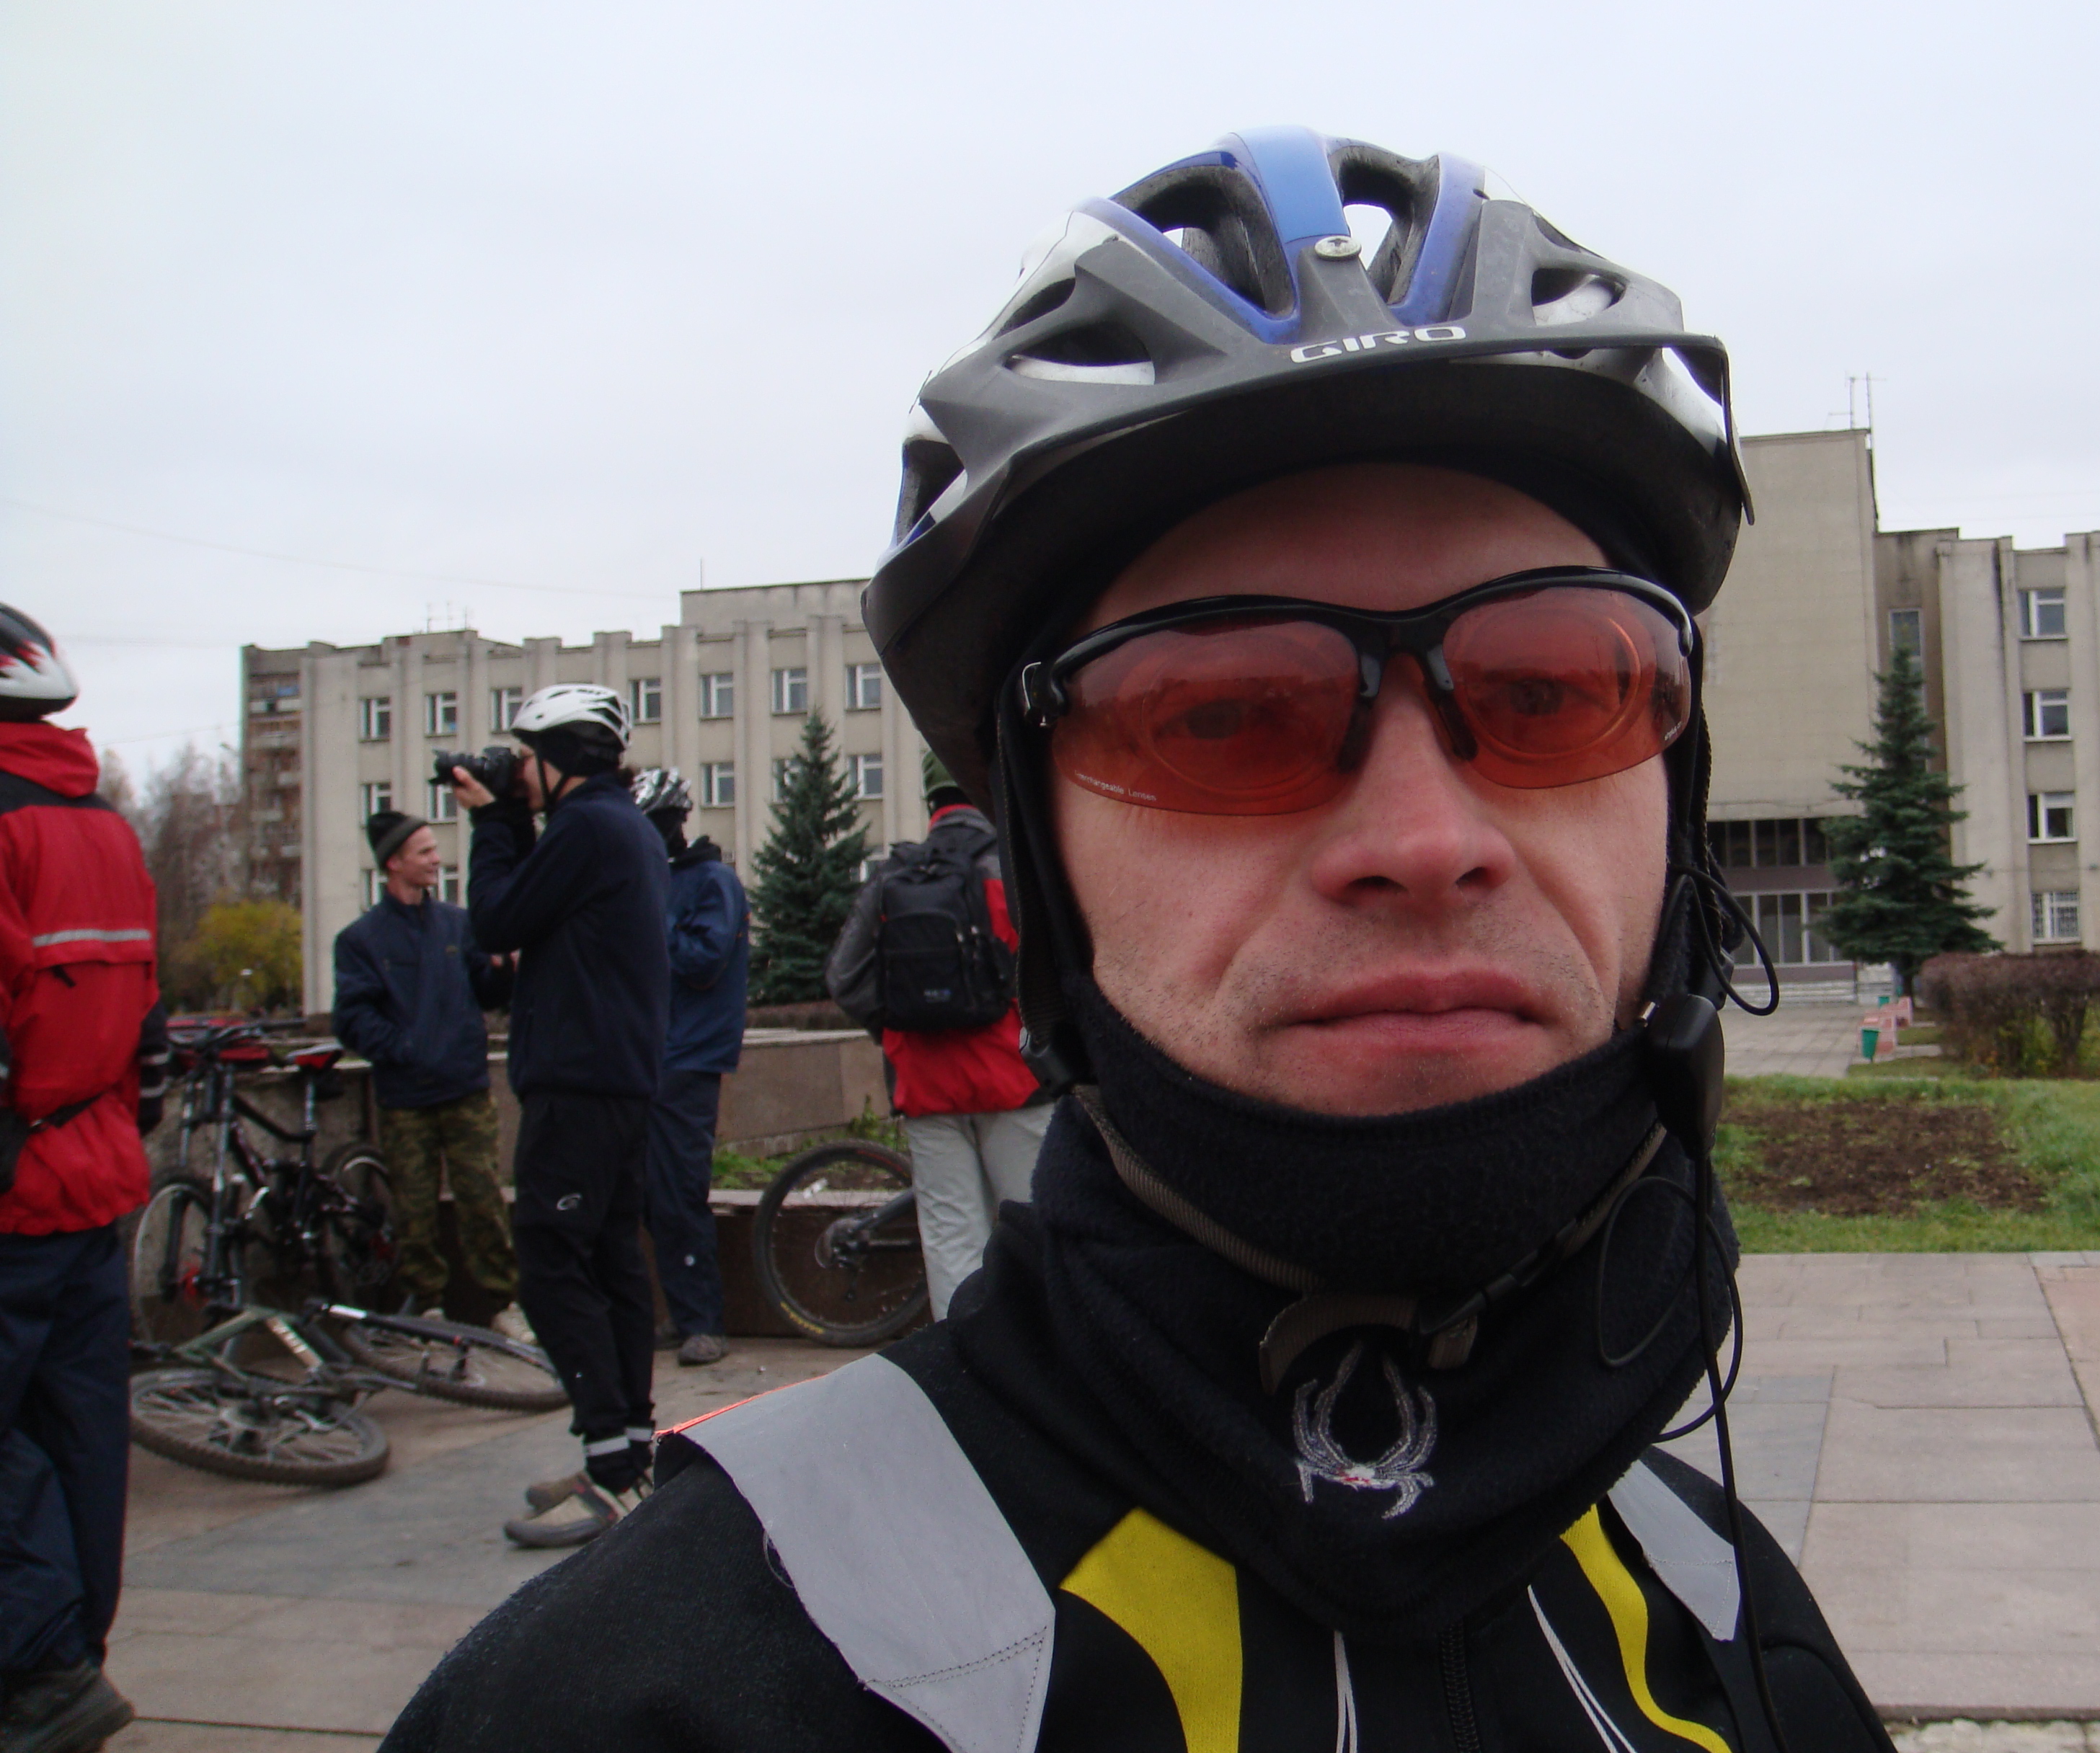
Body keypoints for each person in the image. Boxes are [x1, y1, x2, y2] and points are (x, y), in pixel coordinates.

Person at [392, 130, 1889, 1751]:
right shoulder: (645, 1697)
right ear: (1044, 868)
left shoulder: (1731, 1617)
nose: (1423, 839)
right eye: (1224, 713)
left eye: (1549, 688)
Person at [448, 683, 670, 1548]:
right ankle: (627, 1454)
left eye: (528, 756)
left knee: (549, 1259)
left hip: (578, 1080)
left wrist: (493, 819)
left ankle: (611, 1465)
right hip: (617, 1076)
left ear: (562, 755)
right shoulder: (624, 826)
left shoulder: (587, 827)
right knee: (611, 1258)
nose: (520, 771)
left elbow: (496, 917)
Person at [0, 603, 165, 1752]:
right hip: (94, 1171)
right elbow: (144, 1021)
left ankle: (41, 1665)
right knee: (80, 1432)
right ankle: (72, 1656)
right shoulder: (102, 825)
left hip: (18, 1180)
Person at [828, 746, 1047, 1318]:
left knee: (952, 1236)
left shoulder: (891, 877)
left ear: (930, 801)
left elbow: (844, 979)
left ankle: (967, 1357)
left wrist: (901, 1030)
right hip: (1013, 1080)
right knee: (1033, 1228)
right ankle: (1039, 1358)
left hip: (925, 1086)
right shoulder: (1013, 869)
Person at [332, 809, 522, 1333]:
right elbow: (351, 1018)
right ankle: (428, 1306)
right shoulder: (361, 940)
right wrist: (406, 1048)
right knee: (414, 1212)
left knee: (482, 1201)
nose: (437, 859)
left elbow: (486, 993)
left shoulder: (458, 924)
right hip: (405, 1097)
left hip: (465, 1090)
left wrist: (504, 971)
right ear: (394, 863)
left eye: (435, 850)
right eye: (425, 852)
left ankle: (505, 1304)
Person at [632, 768, 749, 1367]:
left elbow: (703, 960)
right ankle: (683, 1313)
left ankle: (704, 1321)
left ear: (676, 824)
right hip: (649, 1054)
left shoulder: (711, 882)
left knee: (679, 1191)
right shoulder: (658, 883)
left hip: (689, 1056)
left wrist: (648, 913)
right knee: (651, 1197)